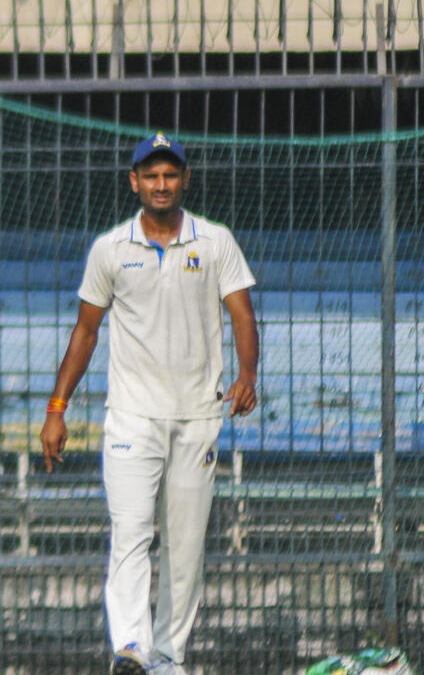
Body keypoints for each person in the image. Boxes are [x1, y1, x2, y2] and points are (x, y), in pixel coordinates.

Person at [38, 132, 259, 675]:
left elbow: (242, 313)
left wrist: (247, 374)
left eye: (170, 174)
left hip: (198, 416)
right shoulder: (111, 248)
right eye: (152, 175)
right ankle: (132, 648)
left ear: (185, 179)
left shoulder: (215, 241)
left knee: (185, 547)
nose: (162, 184)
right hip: (132, 417)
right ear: (134, 181)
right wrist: (57, 408)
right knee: (132, 533)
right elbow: (85, 331)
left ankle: (167, 657)